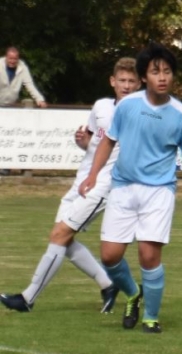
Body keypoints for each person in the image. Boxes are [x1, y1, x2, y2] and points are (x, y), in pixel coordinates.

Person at [77, 42, 182, 334]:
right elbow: (109, 140)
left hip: (159, 191)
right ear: (144, 77)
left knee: (149, 256)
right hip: (123, 186)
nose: (162, 77)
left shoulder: (181, 114)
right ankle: (133, 294)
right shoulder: (127, 105)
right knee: (109, 256)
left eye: (167, 72)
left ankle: (151, 317)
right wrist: (93, 175)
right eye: (155, 72)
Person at [1, 58, 138, 313]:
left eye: (132, 81)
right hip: (82, 179)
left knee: (60, 235)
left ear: (139, 84)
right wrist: (83, 142)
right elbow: (95, 143)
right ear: (113, 81)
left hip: (103, 185)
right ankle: (107, 284)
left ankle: (27, 298)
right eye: (122, 80)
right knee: (62, 239)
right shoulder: (101, 106)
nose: (127, 86)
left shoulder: (138, 114)